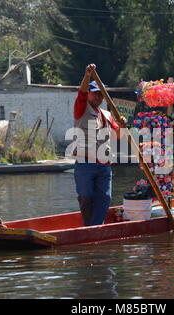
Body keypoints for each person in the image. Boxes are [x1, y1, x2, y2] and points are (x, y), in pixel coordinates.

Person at [72, 63, 123, 226]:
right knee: (86, 196)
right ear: (89, 95)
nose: (98, 98)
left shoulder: (107, 114)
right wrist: (87, 75)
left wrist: (122, 125)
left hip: (104, 164)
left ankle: (96, 227)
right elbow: (82, 92)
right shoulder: (82, 108)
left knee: (105, 198)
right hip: (85, 162)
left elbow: (119, 136)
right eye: (95, 94)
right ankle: (89, 227)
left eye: (101, 95)